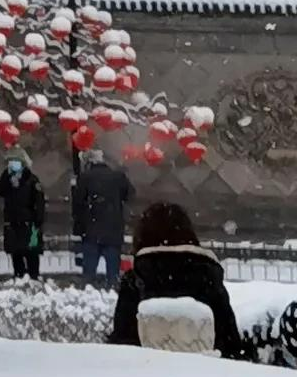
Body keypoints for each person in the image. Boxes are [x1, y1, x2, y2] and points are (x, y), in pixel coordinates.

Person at [112, 198, 242, 357]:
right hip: (208, 375)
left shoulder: (136, 281)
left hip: (145, 375)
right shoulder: (208, 277)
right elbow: (231, 344)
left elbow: (122, 345)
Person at [72, 146, 131, 288]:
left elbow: (78, 205)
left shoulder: (85, 178)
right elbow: (129, 195)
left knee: (89, 270)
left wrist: (79, 228)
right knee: (113, 270)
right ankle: (113, 288)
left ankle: (88, 289)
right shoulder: (118, 177)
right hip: (113, 229)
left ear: (89, 163)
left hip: (91, 229)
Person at [0, 148, 44, 279]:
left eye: (15, 161)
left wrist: (38, 220)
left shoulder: (31, 180)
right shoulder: (8, 179)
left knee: (31, 252)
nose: (12, 164)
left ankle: (34, 276)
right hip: (12, 221)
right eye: (10, 161)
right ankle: (19, 276)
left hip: (29, 221)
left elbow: (39, 202)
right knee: (16, 252)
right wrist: (7, 177)